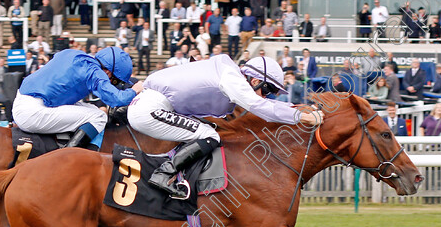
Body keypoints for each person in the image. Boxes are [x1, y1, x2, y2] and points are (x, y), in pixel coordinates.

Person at [127, 55, 322, 198]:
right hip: (149, 110)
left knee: (208, 129)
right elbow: (261, 107)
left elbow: (265, 104)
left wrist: (297, 109)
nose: (266, 95)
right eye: (267, 89)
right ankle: (163, 175)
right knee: (209, 135)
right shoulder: (232, 79)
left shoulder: (228, 70)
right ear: (254, 81)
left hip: (150, 105)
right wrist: (301, 117)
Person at [13, 47, 143, 149]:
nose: (112, 83)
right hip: (32, 112)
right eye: (114, 81)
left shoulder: (71, 53)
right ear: (108, 72)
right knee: (99, 117)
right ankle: (69, 155)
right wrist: (135, 90)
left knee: (93, 109)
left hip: (23, 100)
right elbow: (118, 99)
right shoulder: (95, 72)